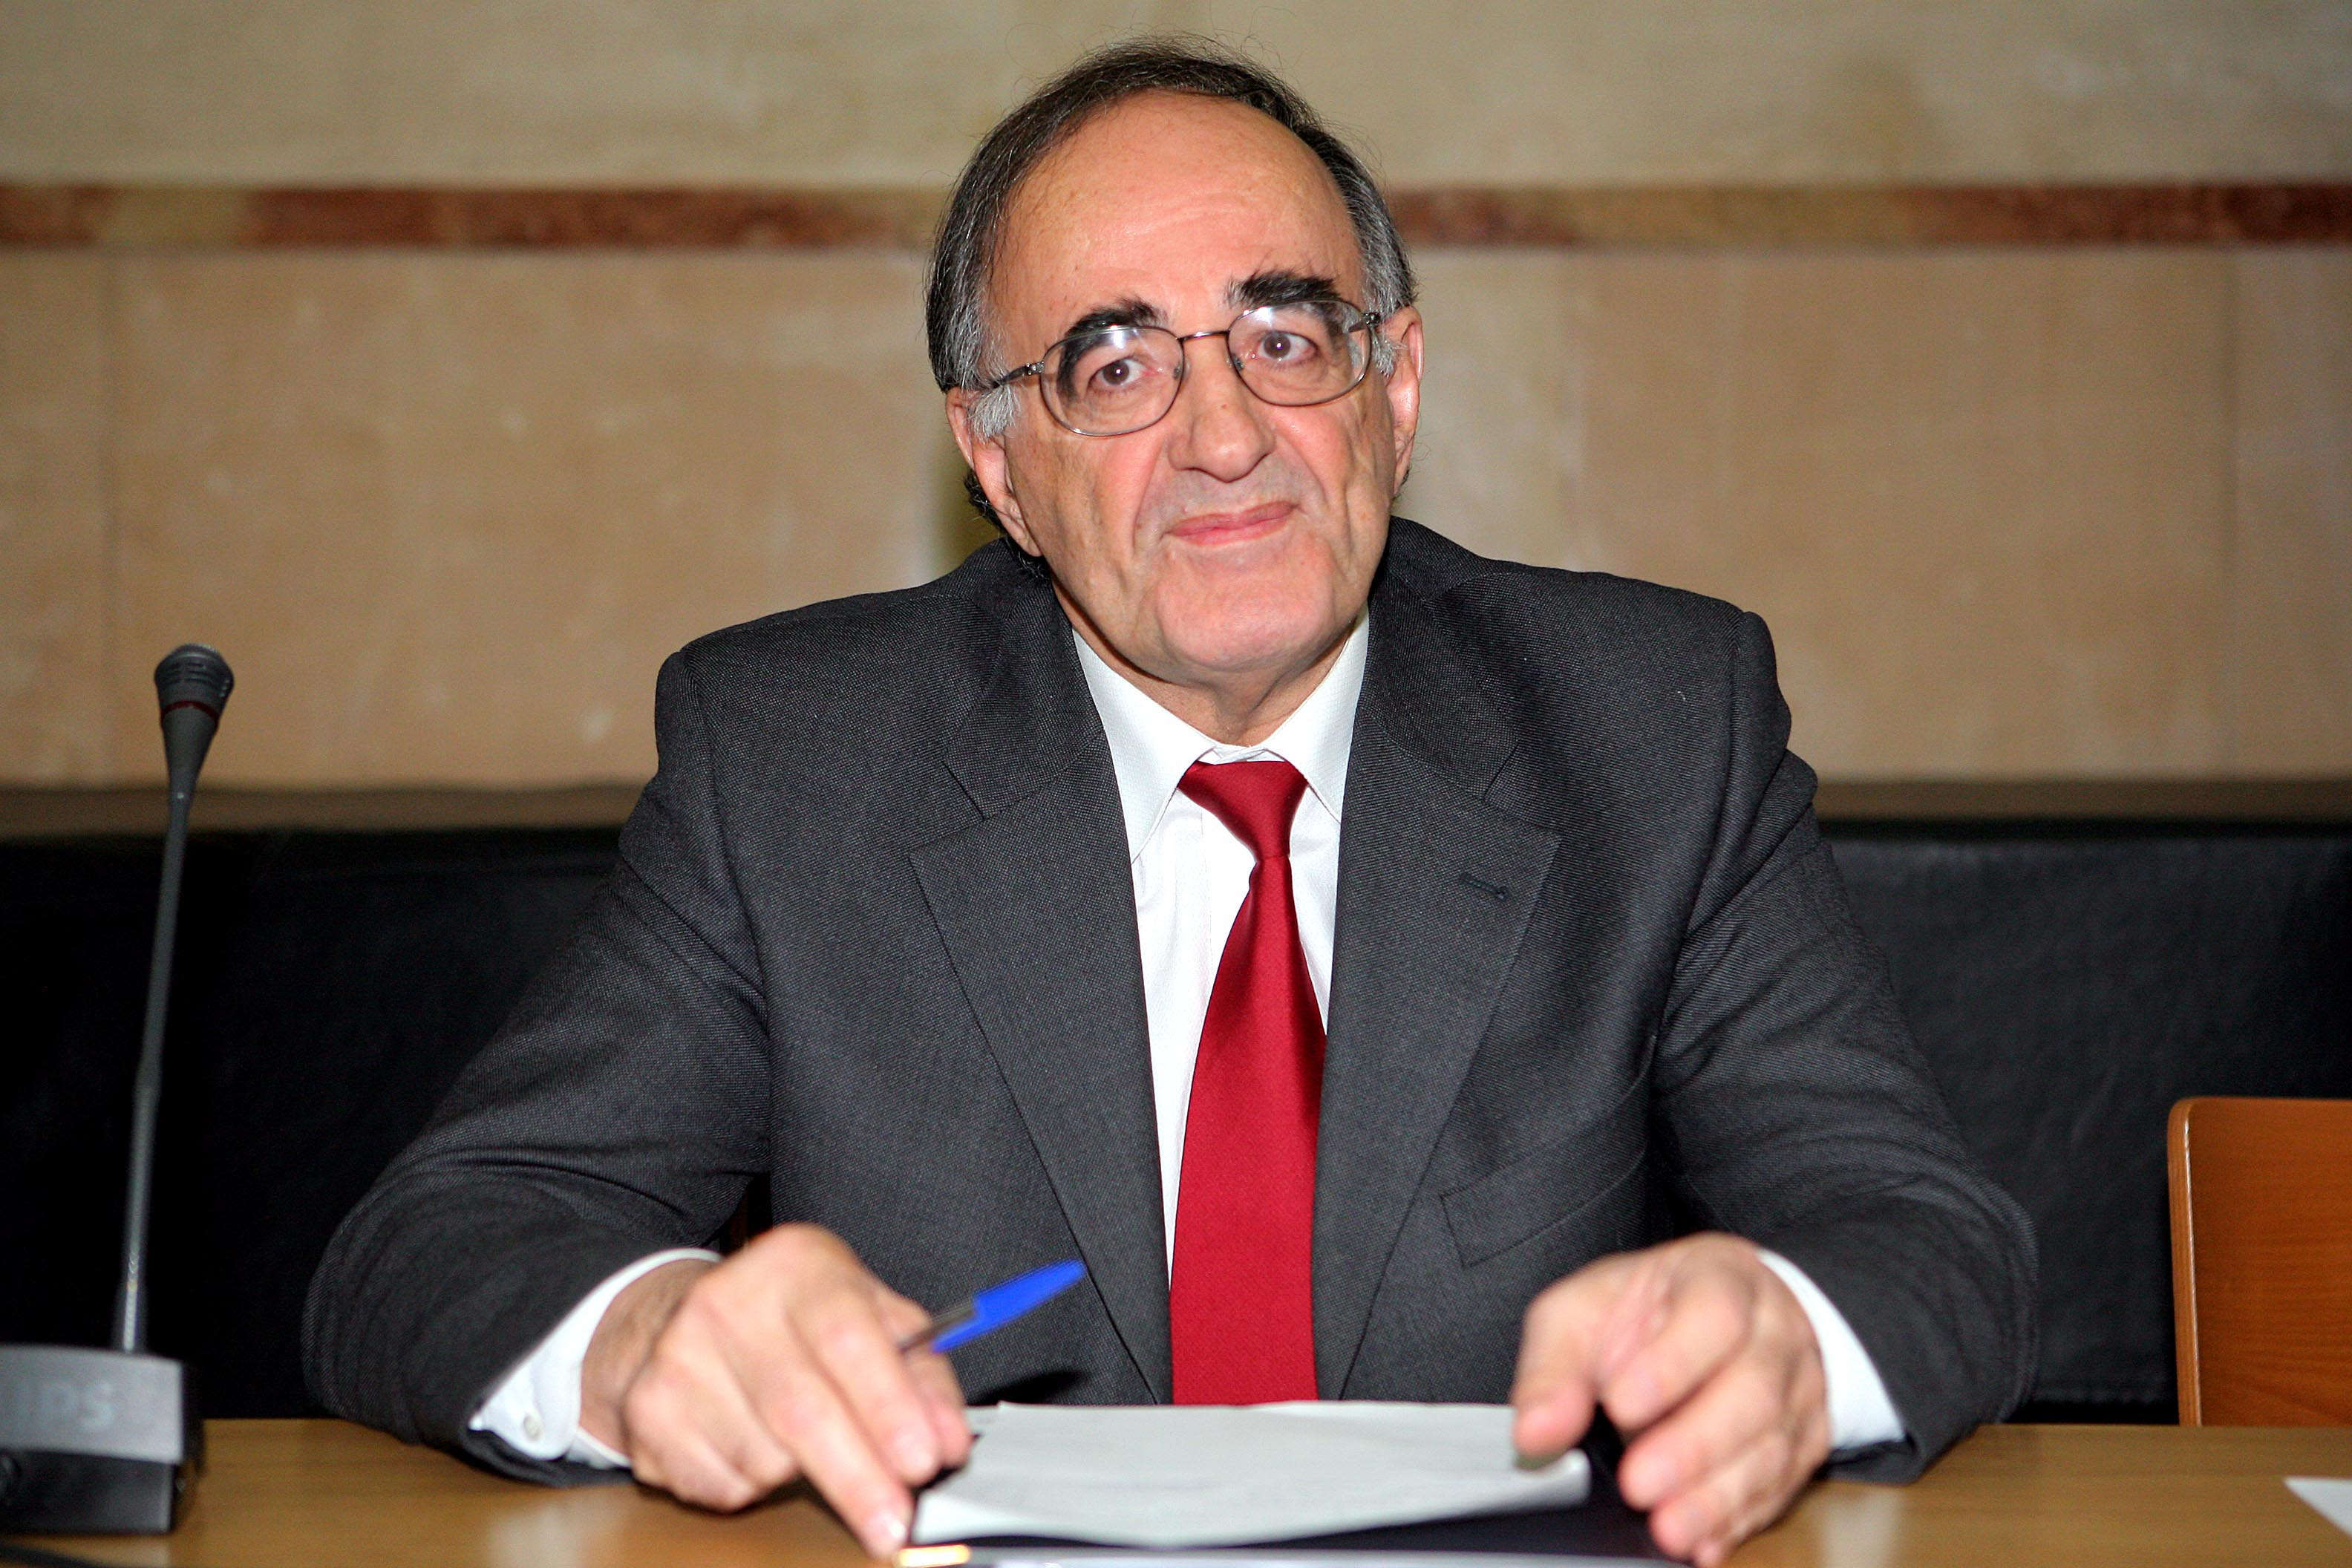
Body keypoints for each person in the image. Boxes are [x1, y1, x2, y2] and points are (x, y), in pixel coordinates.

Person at [305, 42, 2035, 1568]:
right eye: (1115, 368)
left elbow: (1927, 1238)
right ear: (999, 465)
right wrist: (647, 1340)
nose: (1224, 436)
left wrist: (1789, 1338)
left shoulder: (1650, 728)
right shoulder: (799, 765)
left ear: (1395, 389)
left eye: (1285, 337)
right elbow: (435, 1246)